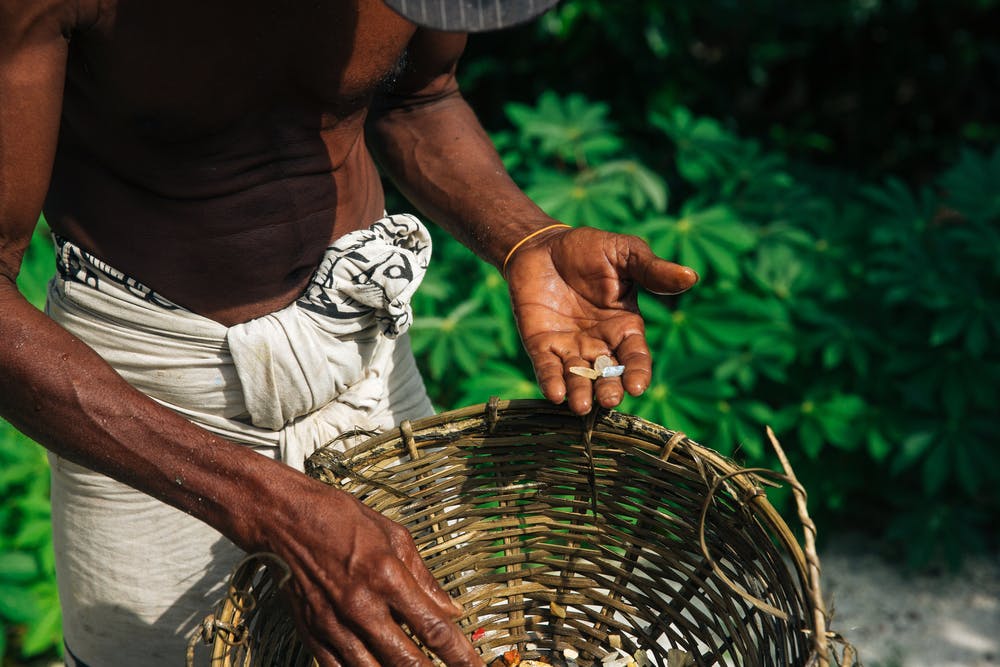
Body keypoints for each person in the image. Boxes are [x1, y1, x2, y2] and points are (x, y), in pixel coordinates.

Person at [0, 1, 698, 665]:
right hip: (150, 400)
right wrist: (267, 506)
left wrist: (527, 239)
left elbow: (419, 97)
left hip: (364, 359)